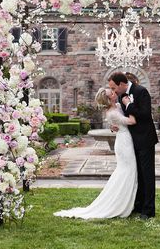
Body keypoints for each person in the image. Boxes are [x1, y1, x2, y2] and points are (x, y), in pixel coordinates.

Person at [54, 87, 137, 219]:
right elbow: (132, 121)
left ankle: (128, 202)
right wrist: (130, 105)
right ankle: (120, 203)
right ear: (109, 99)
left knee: (128, 170)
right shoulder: (112, 112)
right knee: (127, 170)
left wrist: (113, 125)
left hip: (125, 139)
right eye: (112, 93)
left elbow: (117, 123)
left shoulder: (116, 106)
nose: (115, 93)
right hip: (124, 142)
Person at [108, 71, 158, 219]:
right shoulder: (121, 96)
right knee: (138, 175)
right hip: (130, 142)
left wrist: (128, 104)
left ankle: (148, 210)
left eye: (114, 88)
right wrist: (114, 126)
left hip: (145, 140)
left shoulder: (141, 91)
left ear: (122, 84)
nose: (113, 91)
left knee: (147, 176)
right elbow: (121, 117)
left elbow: (145, 114)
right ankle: (138, 205)